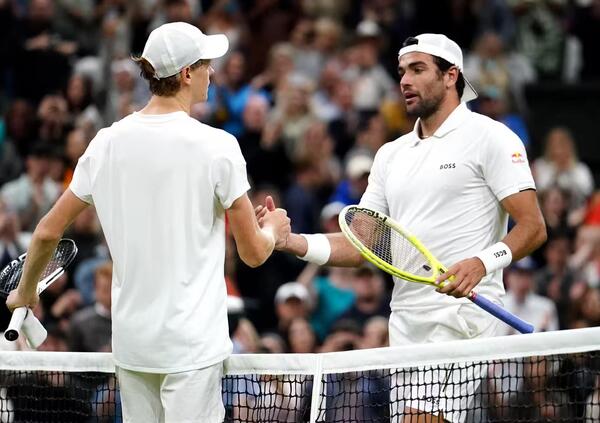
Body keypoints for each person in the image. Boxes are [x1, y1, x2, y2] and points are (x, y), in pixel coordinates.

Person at [6, 22, 290, 423]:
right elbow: (253, 253)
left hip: (134, 347)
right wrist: (274, 231)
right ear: (187, 73)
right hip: (192, 348)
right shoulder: (218, 146)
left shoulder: (106, 142)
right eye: (206, 64)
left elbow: (47, 231)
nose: (212, 72)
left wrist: (25, 291)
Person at [258, 33, 546, 422]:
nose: (405, 80)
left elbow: (532, 227)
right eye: (401, 72)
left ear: (450, 76)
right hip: (406, 319)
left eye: (417, 69)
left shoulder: (491, 137)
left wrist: (481, 263)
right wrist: (290, 240)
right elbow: (363, 246)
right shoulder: (390, 155)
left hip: (462, 317)